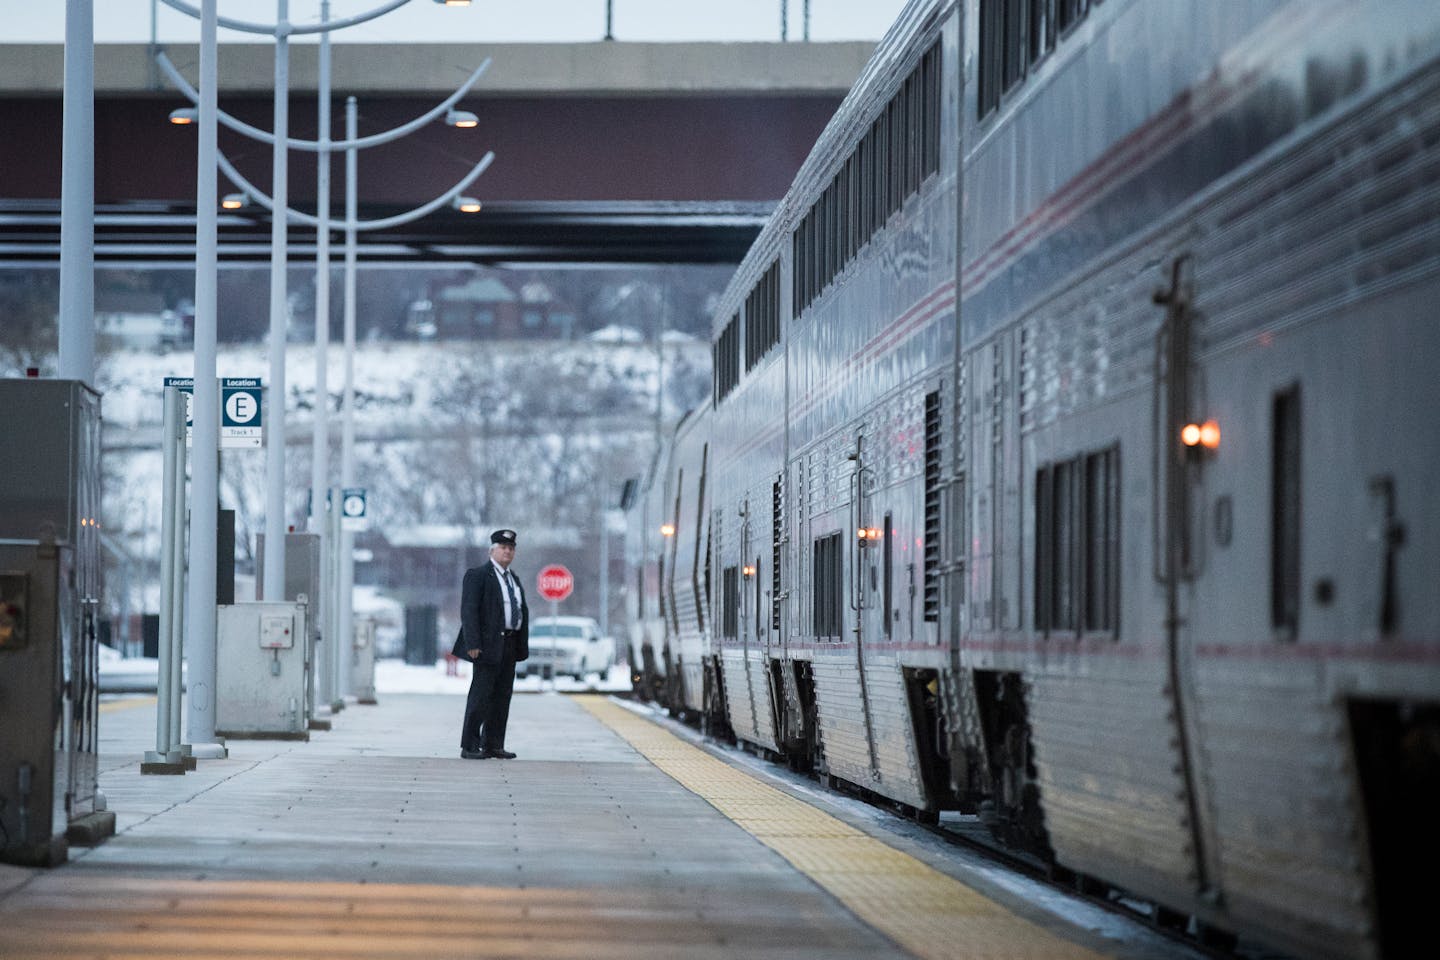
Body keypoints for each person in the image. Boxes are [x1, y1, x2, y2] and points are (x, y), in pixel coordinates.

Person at [453, 528, 529, 759]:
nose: (508, 552)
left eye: (511, 548)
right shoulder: (478, 575)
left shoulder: (513, 579)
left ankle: (493, 743)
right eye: (503, 548)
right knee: (481, 695)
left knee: (502, 695)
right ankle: (470, 745)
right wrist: (472, 643)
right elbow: (469, 611)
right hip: (486, 646)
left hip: (509, 644)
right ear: (492, 551)